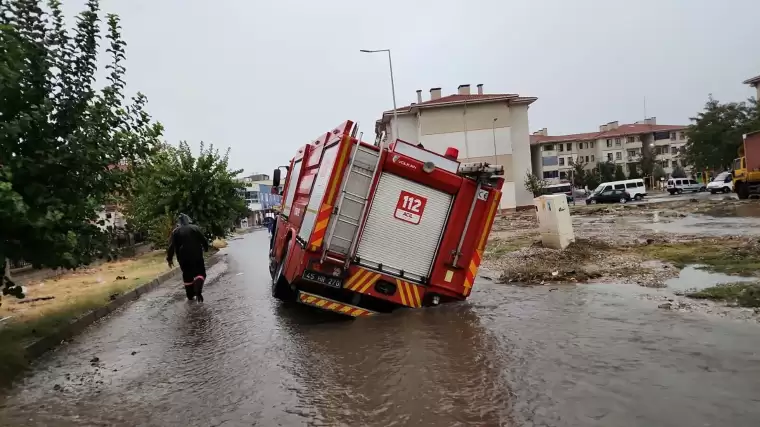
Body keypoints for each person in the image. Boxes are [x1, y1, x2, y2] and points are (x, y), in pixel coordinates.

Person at [167, 214, 209, 302]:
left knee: (187, 275)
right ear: (188, 220)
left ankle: (190, 295)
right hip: (197, 255)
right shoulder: (195, 228)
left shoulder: (175, 232)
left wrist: (169, 259)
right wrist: (206, 248)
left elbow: (171, 247)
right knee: (201, 273)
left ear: (179, 223)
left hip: (183, 258)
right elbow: (203, 240)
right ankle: (198, 288)